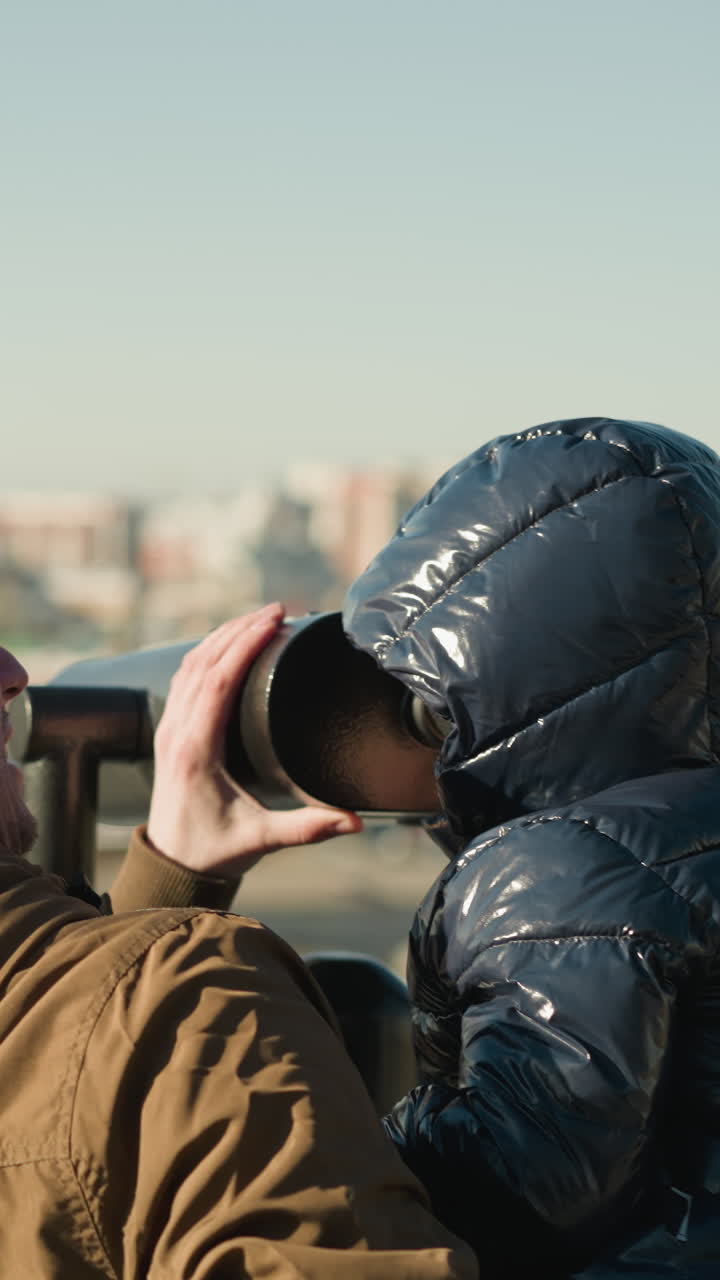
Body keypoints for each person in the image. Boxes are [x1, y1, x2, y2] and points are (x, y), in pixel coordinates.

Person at [130, 417, 720, 1279]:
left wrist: (351, 1128)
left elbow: (527, 1191)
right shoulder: (671, 833)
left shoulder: (555, 875)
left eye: (414, 683)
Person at [0, 612, 477, 1278]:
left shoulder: (151, 1013)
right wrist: (159, 983)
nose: (14, 676)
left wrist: (172, 882)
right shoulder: (195, 1002)